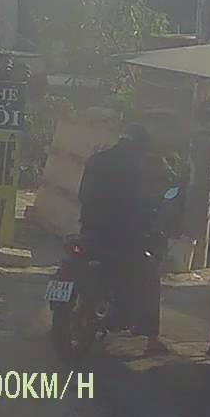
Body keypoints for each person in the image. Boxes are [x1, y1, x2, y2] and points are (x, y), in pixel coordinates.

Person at [76, 123, 168, 355]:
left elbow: (82, 195)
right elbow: (144, 203)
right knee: (149, 274)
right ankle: (151, 338)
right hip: (124, 239)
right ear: (140, 146)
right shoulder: (138, 167)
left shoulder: (96, 160)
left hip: (90, 233)